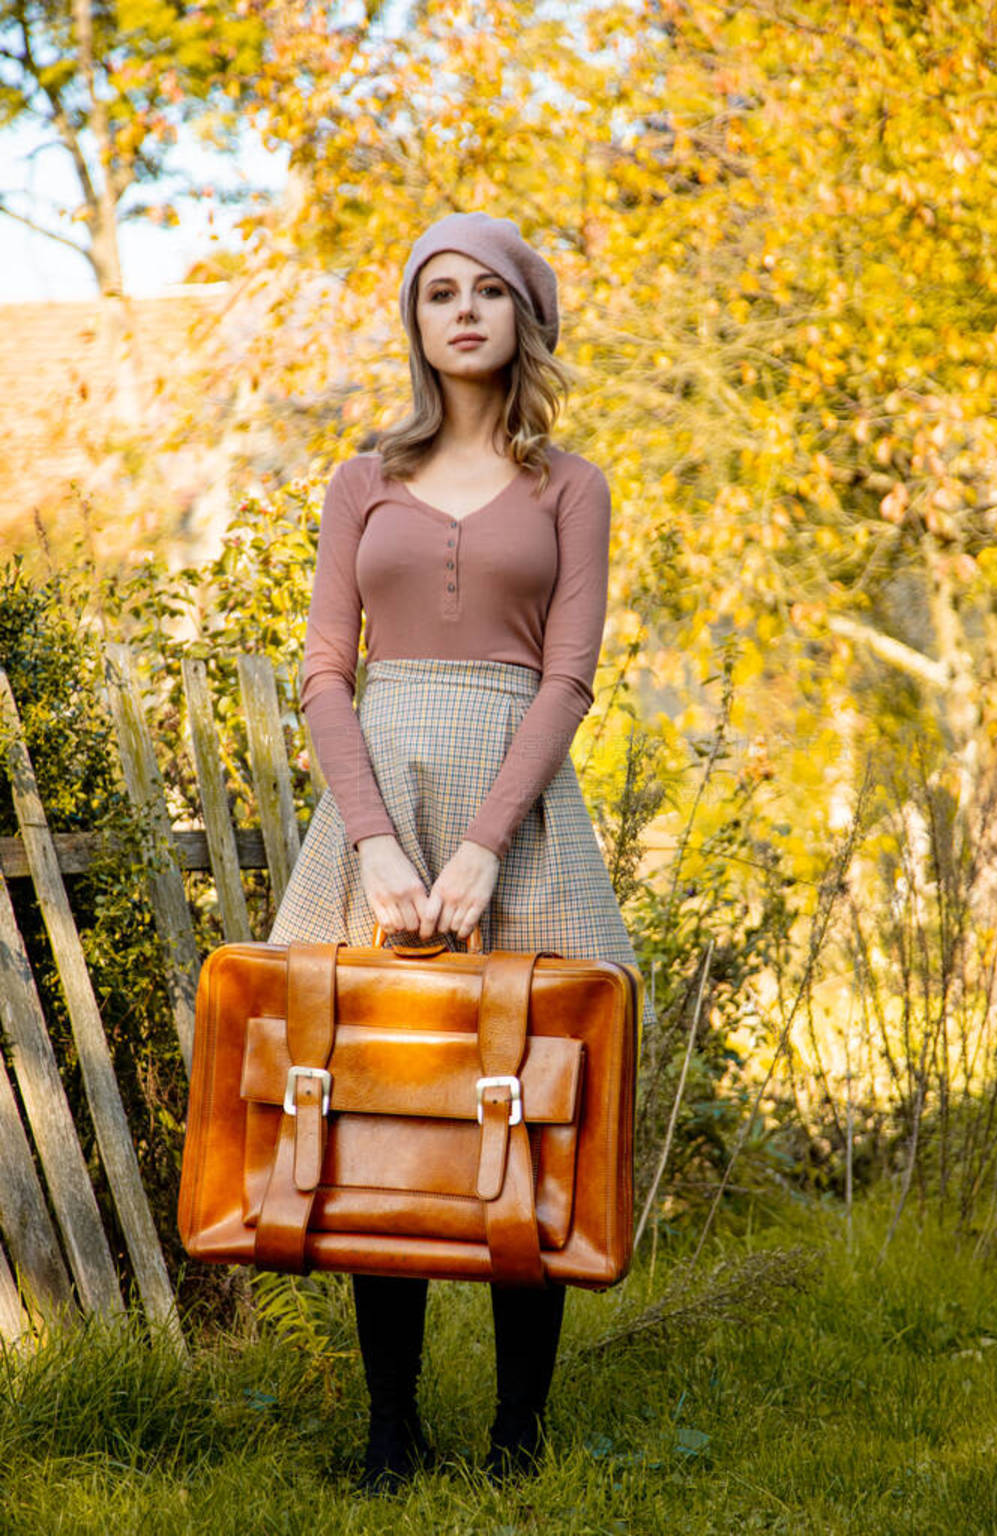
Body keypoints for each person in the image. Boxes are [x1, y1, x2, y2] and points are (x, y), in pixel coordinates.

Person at [268, 210, 657, 1493]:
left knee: (529, 1097)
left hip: (518, 811)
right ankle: (391, 1434)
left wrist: (485, 845)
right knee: (381, 1086)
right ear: (417, 322)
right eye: (439, 292)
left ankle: (517, 1436)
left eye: (489, 290)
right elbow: (328, 672)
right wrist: (377, 842)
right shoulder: (361, 478)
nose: (464, 311)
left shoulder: (572, 485)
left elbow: (568, 677)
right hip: (378, 799)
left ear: (525, 317)